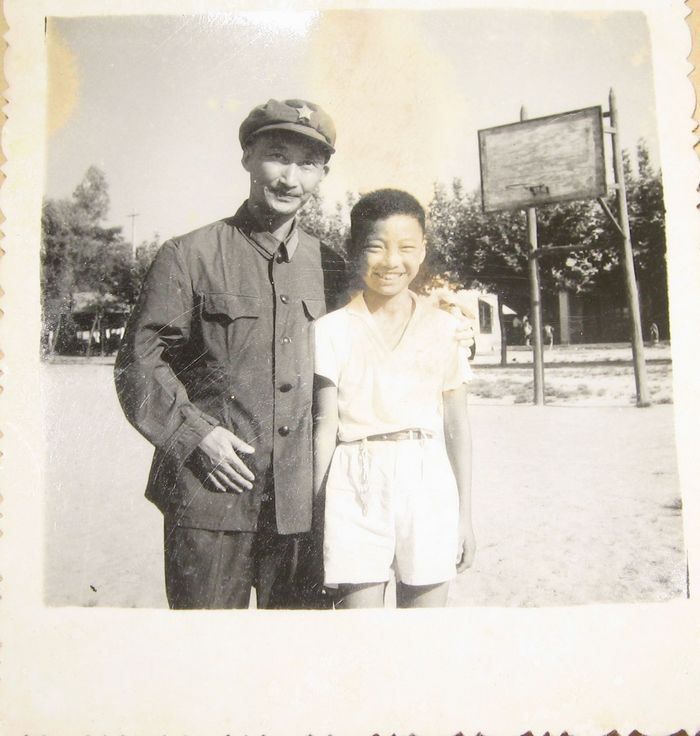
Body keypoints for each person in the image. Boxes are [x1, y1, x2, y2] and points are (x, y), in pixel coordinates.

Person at [115, 99, 346, 609]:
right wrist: (196, 435)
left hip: (301, 504)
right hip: (208, 495)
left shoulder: (332, 267)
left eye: (307, 164)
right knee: (205, 647)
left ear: (323, 175)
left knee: (298, 650)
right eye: (277, 156)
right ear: (247, 157)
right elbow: (139, 362)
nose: (290, 178)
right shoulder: (189, 255)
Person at [312, 189, 476, 608]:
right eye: (376, 247)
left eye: (406, 247)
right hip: (355, 479)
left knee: (423, 633)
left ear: (422, 250)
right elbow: (325, 426)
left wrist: (465, 516)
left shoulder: (446, 328)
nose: (391, 261)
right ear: (353, 249)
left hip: (427, 479)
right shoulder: (331, 329)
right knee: (361, 631)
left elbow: (457, 426)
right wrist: (318, 513)